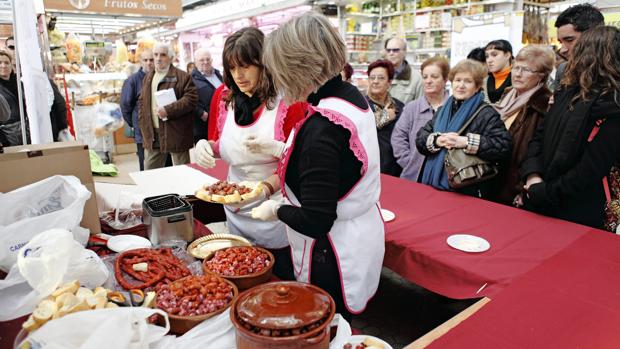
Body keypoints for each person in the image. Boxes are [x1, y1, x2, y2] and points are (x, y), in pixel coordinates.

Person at [253, 12, 384, 322]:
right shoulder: (349, 96)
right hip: (361, 232)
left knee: (329, 325)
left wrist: (276, 210)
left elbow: (315, 220)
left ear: (296, 67)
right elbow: (340, 164)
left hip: (333, 253)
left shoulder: (322, 129)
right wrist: (284, 150)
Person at [193, 27, 305, 280]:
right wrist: (206, 146)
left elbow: (298, 160)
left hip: (274, 209)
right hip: (235, 208)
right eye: (232, 68)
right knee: (242, 268)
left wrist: (265, 188)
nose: (238, 75)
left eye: (245, 66)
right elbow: (222, 142)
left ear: (264, 64)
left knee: (278, 275)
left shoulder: (289, 101)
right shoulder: (223, 97)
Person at [520, 26, 620, 229]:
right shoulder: (566, 91)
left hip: (578, 212)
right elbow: (539, 137)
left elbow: (590, 169)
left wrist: (541, 190)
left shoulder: (613, 104)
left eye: (574, 45)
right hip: (544, 198)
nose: (564, 50)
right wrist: (533, 176)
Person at [416, 59, 511, 199]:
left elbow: (503, 146)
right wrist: (437, 140)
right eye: (457, 80)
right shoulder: (443, 110)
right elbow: (420, 138)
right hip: (432, 184)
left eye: (467, 81)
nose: (461, 85)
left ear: (477, 86)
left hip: (466, 188)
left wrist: (466, 142)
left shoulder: (487, 113)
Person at [492, 45, 553, 205]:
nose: (518, 74)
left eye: (526, 70)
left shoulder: (544, 104)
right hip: (493, 178)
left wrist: (522, 188)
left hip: (514, 186)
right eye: (516, 68)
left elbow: (537, 152)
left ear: (541, 76)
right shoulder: (507, 95)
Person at [138, 43, 197, 170]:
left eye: (163, 55)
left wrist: (168, 110)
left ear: (170, 58)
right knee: (150, 173)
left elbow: (191, 99)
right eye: (156, 55)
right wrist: (142, 125)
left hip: (175, 133)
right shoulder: (148, 77)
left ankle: (183, 191)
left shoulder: (183, 77)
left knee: (182, 172)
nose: (158, 58)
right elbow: (142, 103)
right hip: (153, 134)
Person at [392, 56, 450, 182]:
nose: (428, 81)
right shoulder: (412, 108)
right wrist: (409, 162)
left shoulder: (455, 108)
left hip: (446, 177)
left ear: (445, 79)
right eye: (425, 77)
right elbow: (398, 137)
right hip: (414, 176)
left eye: (434, 77)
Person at [365, 59, 403, 177]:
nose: (375, 81)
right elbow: (359, 129)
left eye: (381, 78)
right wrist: (385, 116)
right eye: (372, 78)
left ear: (389, 82)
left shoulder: (400, 107)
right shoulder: (360, 105)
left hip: (396, 168)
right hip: (368, 169)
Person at [552, 4, 604, 89]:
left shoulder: (614, 74)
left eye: (569, 40)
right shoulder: (563, 71)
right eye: (560, 42)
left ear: (594, 36)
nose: (562, 50)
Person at [121, 49, 154, 171]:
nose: (149, 63)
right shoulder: (133, 81)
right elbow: (125, 105)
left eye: (151, 60)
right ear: (141, 62)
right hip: (142, 129)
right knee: (145, 163)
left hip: (159, 129)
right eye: (146, 60)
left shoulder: (159, 78)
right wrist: (134, 122)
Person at [190, 48, 222, 143]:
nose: (206, 62)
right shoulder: (191, 79)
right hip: (204, 125)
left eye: (208, 59)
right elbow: (188, 99)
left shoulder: (218, 74)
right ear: (195, 63)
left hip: (220, 121)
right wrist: (201, 113)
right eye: (201, 60)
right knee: (207, 154)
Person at [385, 37, 423, 104]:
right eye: (388, 50)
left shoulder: (416, 78)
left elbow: (420, 107)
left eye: (395, 50)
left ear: (405, 52)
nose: (391, 53)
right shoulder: (379, 75)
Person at [0, 50, 26, 146]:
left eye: (7, 62)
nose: (3, 65)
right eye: (0, 63)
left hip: (26, 130)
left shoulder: (20, 84)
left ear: (11, 66)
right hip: (7, 134)